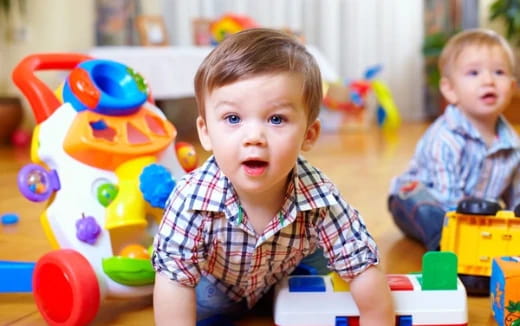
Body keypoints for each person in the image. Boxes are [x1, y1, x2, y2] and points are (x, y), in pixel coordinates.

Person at [152, 28, 394, 325]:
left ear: (309, 134)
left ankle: (291, 293)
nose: (254, 137)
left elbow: (361, 266)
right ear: (205, 132)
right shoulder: (191, 199)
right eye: (233, 119)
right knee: (205, 306)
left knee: (318, 297)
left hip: (289, 273)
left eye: (276, 119)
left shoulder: (320, 196)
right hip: (218, 286)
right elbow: (174, 280)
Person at [388, 28, 520, 251]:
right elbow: (446, 199)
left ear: (513, 87)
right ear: (450, 90)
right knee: (431, 213)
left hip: (478, 215)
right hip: (420, 200)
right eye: (474, 73)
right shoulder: (444, 139)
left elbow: (515, 193)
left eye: (498, 72)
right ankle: (446, 248)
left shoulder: (512, 144)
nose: (488, 80)